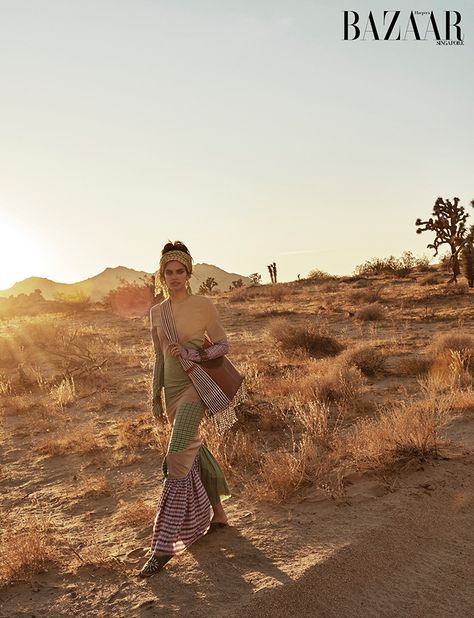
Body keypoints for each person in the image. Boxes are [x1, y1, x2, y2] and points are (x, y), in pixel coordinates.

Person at [140, 241, 234, 577]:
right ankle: (219, 514)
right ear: (162, 275)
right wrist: (155, 397)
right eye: (169, 271)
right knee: (195, 451)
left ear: (189, 273)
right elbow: (158, 358)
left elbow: (223, 343)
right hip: (171, 391)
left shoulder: (203, 305)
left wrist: (197, 355)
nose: (175, 276)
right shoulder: (157, 312)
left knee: (177, 456)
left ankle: (163, 546)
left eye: (181, 271)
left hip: (197, 387)